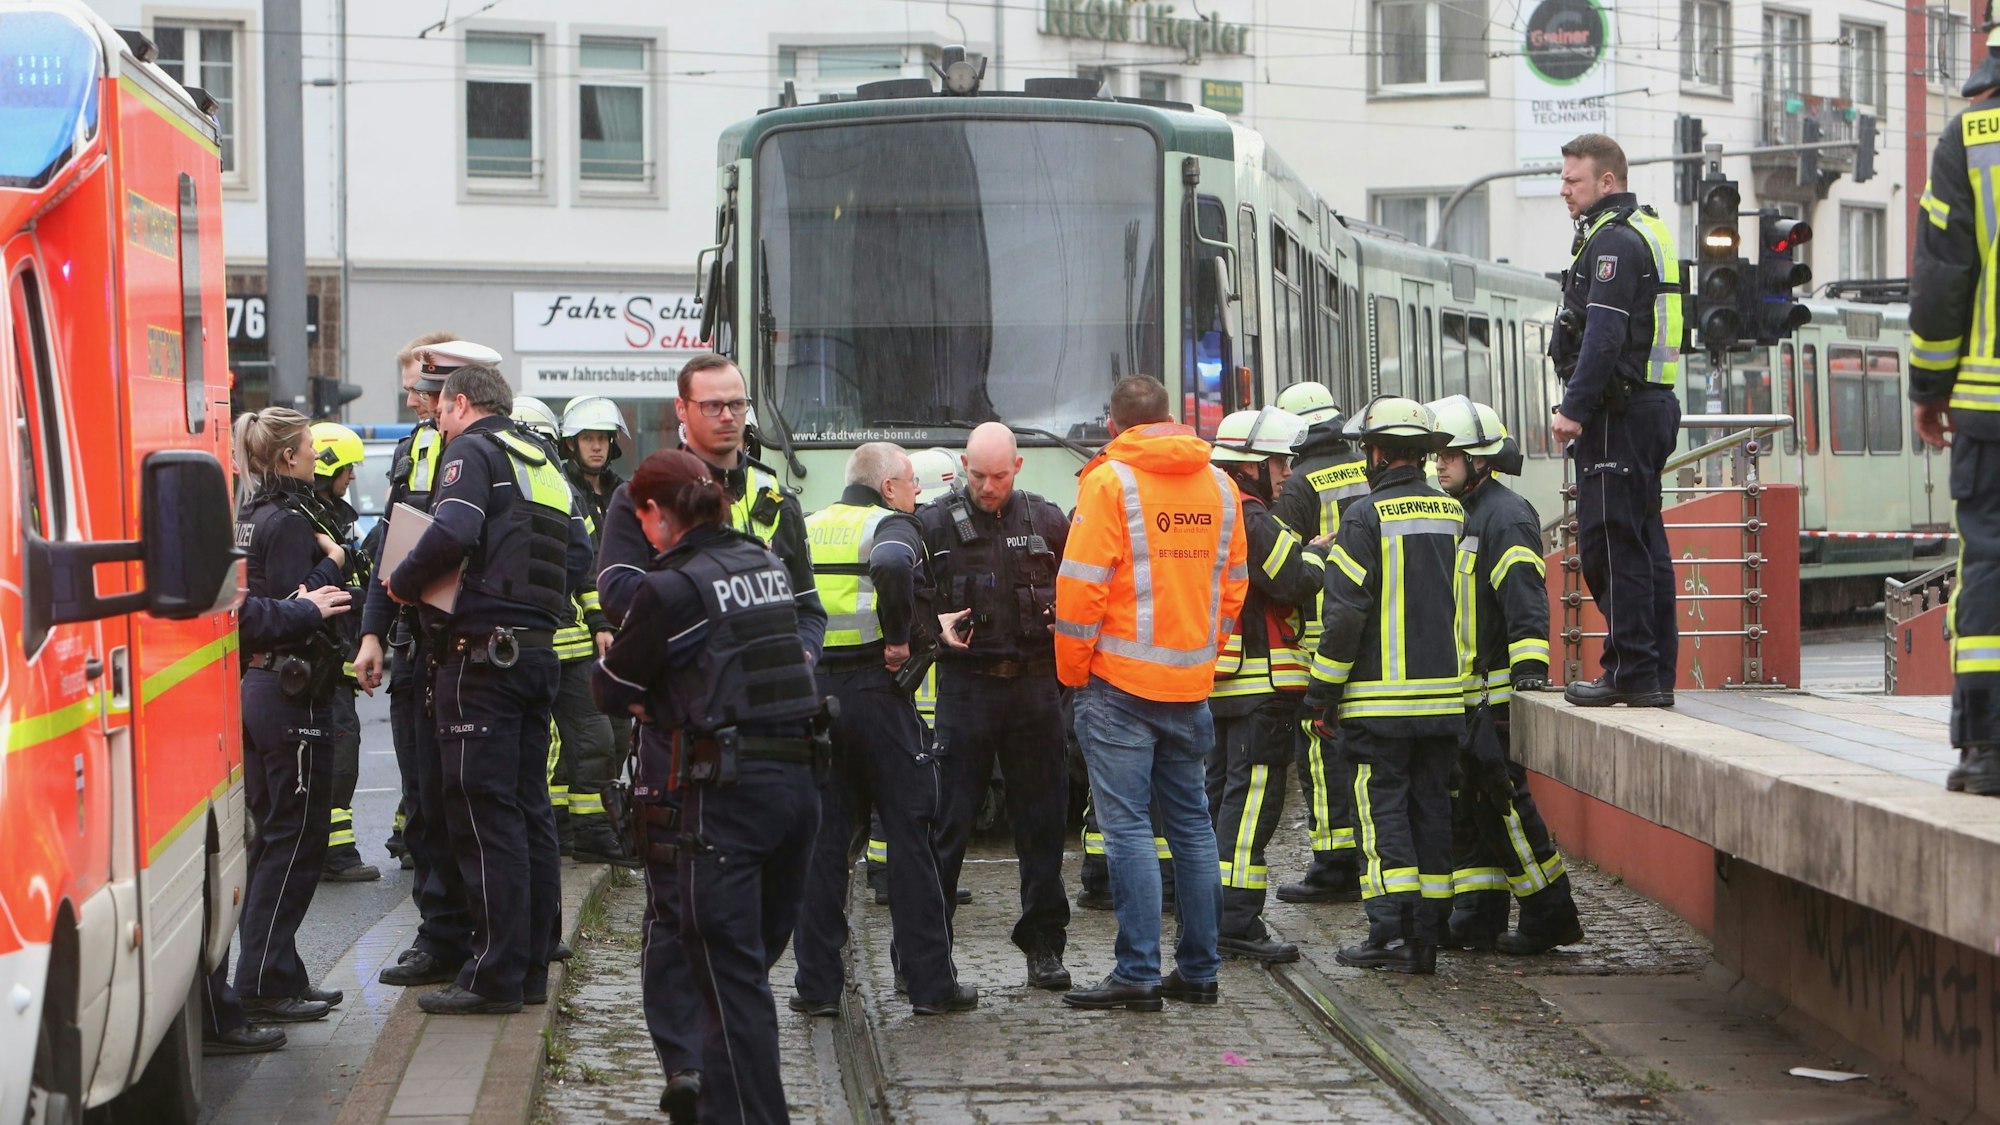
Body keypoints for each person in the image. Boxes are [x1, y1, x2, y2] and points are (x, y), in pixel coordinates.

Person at [594, 353, 827, 1116]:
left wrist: (783, 657)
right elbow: (620, 587)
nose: (728, 415)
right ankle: (689, 1065)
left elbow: (807, 609)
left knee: (728, 953)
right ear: (684, 410)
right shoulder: (653, 502)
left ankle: (724, 1079)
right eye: (714, 404)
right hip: (708, 754)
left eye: (737, 403)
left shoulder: (769, 502)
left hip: (728, 759)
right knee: (684, 921)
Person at [385, 360, 595, 1014]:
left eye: (441, 410)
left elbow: (452, 532)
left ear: (462, 404)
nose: (438, 422)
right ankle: (529, 966)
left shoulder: (472, 450)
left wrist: (400, 582)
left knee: (482, 814)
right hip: (535, 654)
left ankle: (492, 974)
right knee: (529, 809)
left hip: (481, 659)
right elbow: (581, 559)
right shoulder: (545, 462)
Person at [1056, 375, 1246, 1012]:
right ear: (1173, 418)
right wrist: (1201, 654)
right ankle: (1199, 971)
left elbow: (1081, 589)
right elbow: (1232, 589)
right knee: (1193, 827)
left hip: (1117, 685)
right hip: (1188, 684)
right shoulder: (1221, 484)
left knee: (1128, 829)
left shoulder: (1110, 481)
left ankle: (1137, 972)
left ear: (1114, 426)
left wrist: (1072, 672)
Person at [797, 442, 973, 1017]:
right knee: (910, 838)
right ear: (889, 486)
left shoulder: (808, 524)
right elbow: (894, 567)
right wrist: (899, 638)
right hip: (877, 692)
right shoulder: (892, 526)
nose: (918, 494)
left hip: (820, 695)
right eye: (911, 485)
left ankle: (817, 987)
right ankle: (931, 986)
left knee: (823, 845)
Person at [205, 407, 355, 1055]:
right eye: (310, 448)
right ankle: (265, 975)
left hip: (260, 692)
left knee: (275, 836)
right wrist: (336, 564)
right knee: (296, 839)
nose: (314, 457)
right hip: (292, 693)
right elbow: (297, 610)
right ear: (291, 456)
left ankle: (279, 970)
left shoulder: (247, 514)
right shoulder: (292, 522)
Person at [1305, 396, 1465, 975]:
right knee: (1432, 810)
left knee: (1382, 813)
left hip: (1379, 704)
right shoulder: (1453, 513)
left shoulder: (1364, 518)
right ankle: (1427, 934)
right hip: (1445, 700)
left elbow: (1344, 615)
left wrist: (1322, 693)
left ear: (1375, 452)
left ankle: (1391, 931)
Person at [1428, 396, 1585, 954]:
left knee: (1504, 803)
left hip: (1496, 697)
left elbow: (1525, 603)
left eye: (1451, 455)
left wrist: (1526, 679)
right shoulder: (1461, 513)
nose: (1439, 464)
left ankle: (1550, 911)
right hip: (1466, 695)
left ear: (1481, 461)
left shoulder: (1505, 515)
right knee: (1469, 807)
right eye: (1436, 454)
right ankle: (1477, 911)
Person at [923, 423, 1074, 990]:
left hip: (1035, 687)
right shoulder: (933, 523)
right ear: (964, 465)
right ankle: (927, 950)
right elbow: (906, 606)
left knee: (1042, 823)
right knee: (948, 823)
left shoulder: (1047, 519)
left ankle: (1044, 944)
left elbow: (1082, 587)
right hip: (967, 688)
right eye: (978, 475)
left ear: (1019, 467)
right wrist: (928, 628)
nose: (988, 487)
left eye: (999, 475)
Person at [352, 333, 483, 987]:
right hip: (417, 644)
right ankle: (446, 932)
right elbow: (392, 545)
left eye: (418, 387)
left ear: (448, 392)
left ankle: (456, 936)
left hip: (457, 648)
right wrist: (374, 630)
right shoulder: (418, 448)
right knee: (426, 800)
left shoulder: (468, 452)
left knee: (456, 801)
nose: (409, 398)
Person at [1548, 132, 1684, 709]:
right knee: (1645, 543)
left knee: (1611, 543)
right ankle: (1651, 675)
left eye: (1573, 181)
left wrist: (1572, 410)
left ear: (1607, 181)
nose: (1563, 191)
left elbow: (1603, 336)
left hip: (1618, 411)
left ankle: (1628, 671)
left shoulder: (1614, 246)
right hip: (1647, 406)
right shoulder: (1644, 232)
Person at [1910, 31, 2000, 797]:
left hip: (1991, 407)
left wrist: (1928, 387)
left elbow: (1945, 276)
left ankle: (1987, 746)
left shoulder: (1972, 136)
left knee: (1993, 563)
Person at [1205, 406, 1325, 964]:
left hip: (1221, 682)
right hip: (1261, 683)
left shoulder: (1207, 508)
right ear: (1250, 465)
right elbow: (1292, 579)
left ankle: (1209, 911)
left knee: (1220, 798)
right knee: (1253, 802)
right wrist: (1321, 556)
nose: (1286, 473)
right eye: (1278, 461)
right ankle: (1234, 920)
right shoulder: (1250, 517)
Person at [1269, 381, 1368, 905]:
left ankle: (1334, 862)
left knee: (1319, 742)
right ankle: (1366, 852)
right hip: (1374, 633)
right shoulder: (1364, 466)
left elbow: (1286, 565)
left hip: (1319, 632)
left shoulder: (1298, 484)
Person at [533, 396, 628, 866]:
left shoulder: (621, 494)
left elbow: (612, 558)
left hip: (609, 630)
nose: (596, 447)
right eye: (587, 438)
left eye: (602, 439)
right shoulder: (559, 488)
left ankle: (595, 829)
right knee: (566, 746)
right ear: (570, 443)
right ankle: (563, 833)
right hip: (562, 635)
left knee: (610, 736)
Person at [303, 420, 382, 884]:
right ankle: (335, 854)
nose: (351, 477)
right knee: (338, 757)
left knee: (341, 755)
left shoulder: (335, 519)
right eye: (347, 468)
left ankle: (332, 852)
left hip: (338, 663)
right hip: (326, 666)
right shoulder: (313, 525)